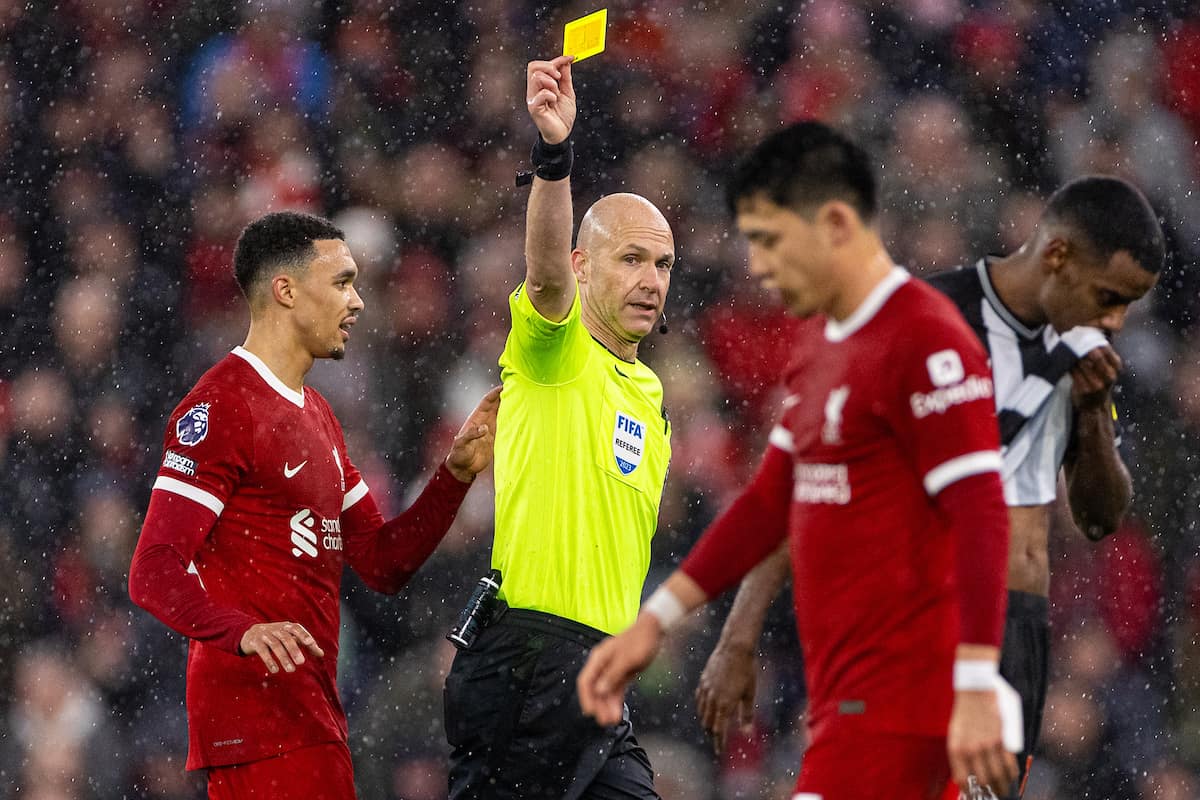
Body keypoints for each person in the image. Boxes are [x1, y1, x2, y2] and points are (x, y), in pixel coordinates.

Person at [577, 121, 1020, 800]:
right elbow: (765, 503)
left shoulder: (927, 340)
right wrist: (655, 622)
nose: (756, 266)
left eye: (769, 240)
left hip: (910, 706)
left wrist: (978, 683)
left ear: (836, 224)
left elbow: (982, 513)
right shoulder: (819, 348)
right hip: (845, 705)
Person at [694, 175, 1165, 799]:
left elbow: (1101, 516)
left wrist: (1091, 413)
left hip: (1015, 636)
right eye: (1109, 296)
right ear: (1057, 257)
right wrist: (739, 635)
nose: (1115, 319)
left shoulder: (1084, 352)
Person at [127, 211, 500, 800]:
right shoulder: (223, 406)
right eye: (342, 282)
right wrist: (242, 632)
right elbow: (153, 569)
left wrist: (453, 476)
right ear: (286, 290)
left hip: (312, 717)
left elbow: (382, 562)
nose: (357, 302)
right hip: (256, 721)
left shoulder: (319, 414)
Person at [441, 55, 674, 800]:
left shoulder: (652, 397)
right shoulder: (556, 350)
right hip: (526, 664)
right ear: (584, 265)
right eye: (632, 259)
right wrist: (553, 157)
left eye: (664, 265)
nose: (651, 280)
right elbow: (542, 278)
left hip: (600, 676)